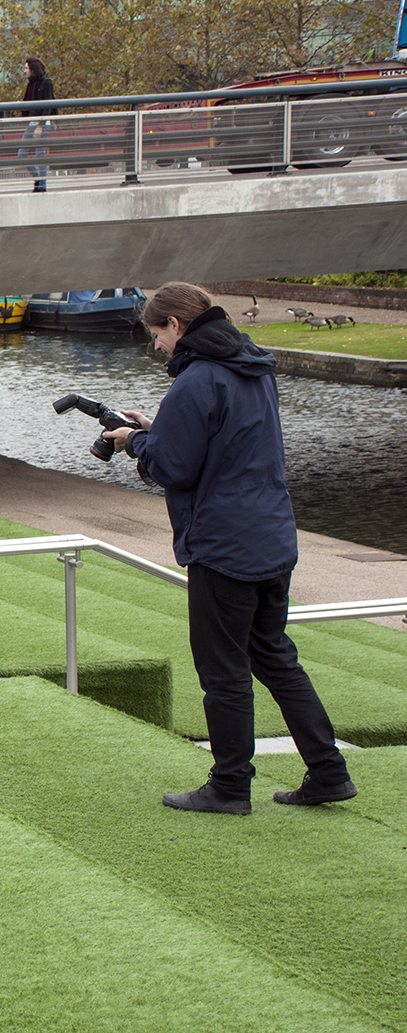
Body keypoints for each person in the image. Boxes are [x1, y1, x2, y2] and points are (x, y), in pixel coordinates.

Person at [103, 281, 356, 815]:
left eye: (156, 336)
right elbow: (222, 442)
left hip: (225, 545)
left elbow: (172, 467)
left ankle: (229, 785)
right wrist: (161, 427)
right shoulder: (253, 366)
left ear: (175, 326)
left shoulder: (197, 380)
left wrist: (135, 442)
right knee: (274, 656)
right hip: (270, 535)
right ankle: (329, 772)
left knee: (223, 671)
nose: (156, 348)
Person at [18, 57, 57, 193]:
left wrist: (40, 125)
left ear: (32, 69)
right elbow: (26, 105)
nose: (25, 71)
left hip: (42, 123)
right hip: (32, 122)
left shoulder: (46, 83)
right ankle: (38, 179)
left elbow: (48, 104)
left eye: (26, 68)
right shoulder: (31, 85)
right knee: (21, 153)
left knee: (40, 153)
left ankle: (42, 185)